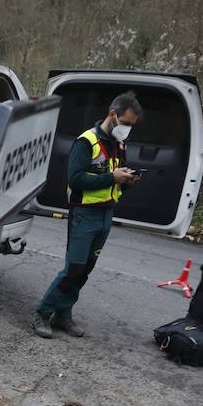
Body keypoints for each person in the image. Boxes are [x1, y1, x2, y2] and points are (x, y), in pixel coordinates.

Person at [32, 91, 142, 338]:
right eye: (125, 123)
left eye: (131, 125)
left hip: (106, 214)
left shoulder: (119, 144)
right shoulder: (87, 141)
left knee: (85, 270)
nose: (127, 129)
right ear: (112, 115)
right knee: (74, 268)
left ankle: (63, 314)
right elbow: (76, 178)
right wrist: (111, 177)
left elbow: (114, 178)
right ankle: (42, 312)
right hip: (84, 214)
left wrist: (126, 181)